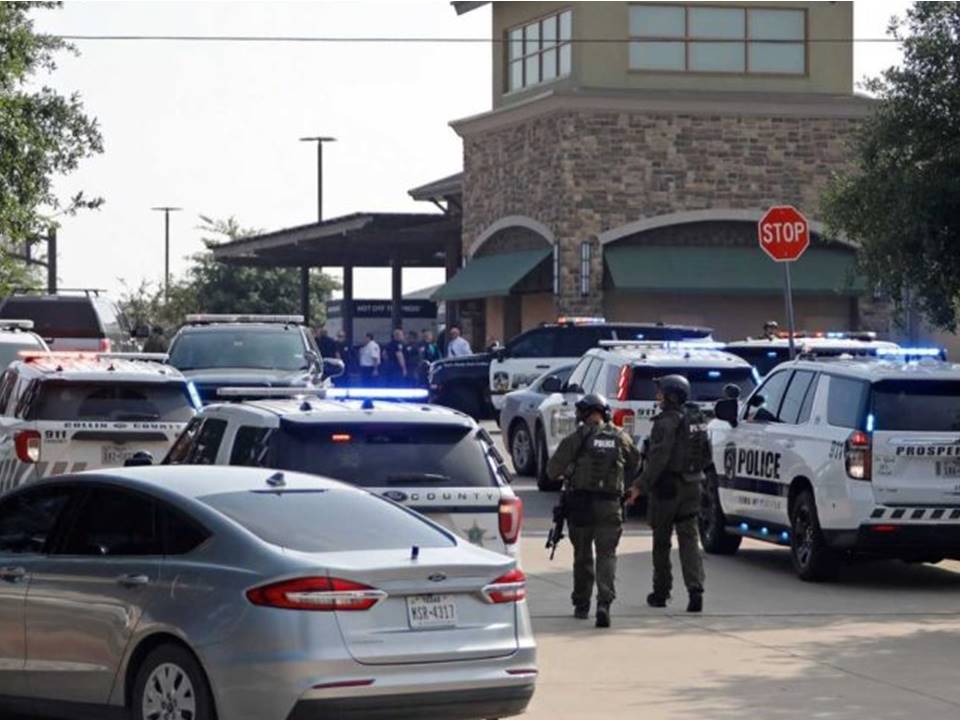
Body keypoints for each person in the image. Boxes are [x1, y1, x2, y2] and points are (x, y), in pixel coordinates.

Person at [547, 394, 641, 628]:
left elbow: (551, 471)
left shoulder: (576, 438)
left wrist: (570, 470)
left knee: (583, 556)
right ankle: (604, 604)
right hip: (610, 505)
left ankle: (581, 604)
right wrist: (622, 484)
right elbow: (635, 463)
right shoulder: (621, 437)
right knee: (607, 555)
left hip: (580, 505)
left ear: (585, 412)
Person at [626, 375, 710, 613]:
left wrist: (639, 486)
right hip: (693, 486)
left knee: (661, 541)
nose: (658, 396)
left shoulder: (665, 423)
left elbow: (658, 459)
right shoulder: (696, 420)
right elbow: (707, 456)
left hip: (667, 489)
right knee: (689, 540)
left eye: (661, 392)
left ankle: (661, 592)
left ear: (671, 396)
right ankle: (696, 589)